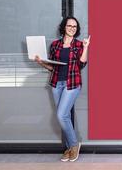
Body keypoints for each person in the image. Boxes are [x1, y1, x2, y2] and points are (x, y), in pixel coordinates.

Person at [35, 16, 90, 162]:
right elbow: (52, 67)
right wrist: (41, 62)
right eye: (69, 25)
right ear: (64, 27)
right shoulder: (55, 45)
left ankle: (74, 145)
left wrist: (85, 47)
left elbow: (82, 64)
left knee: (61, 115)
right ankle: (68, 148)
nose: (72, 28)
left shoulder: (78, 45)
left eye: (74, 26)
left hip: (72, 84)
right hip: (56, 84)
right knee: (66, 116)